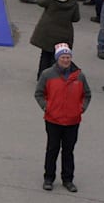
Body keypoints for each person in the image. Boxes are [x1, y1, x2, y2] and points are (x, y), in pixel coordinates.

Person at [35, 43, 90, 191]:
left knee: (68, 150)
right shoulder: (47, 74)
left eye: (68, 57)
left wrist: (81, 108)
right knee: (52, 149)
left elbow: (87, 95)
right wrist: (46, 107)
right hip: (53, 119)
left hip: (73, 121)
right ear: (57, 59)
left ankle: (68, 180)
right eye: (63, 57)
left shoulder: (80, 76)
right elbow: (39, 93)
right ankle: (48, 178)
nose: (66, 60)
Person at [30, 0, 80, 76]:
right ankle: (54, 78)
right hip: (64, 34)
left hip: (47, 32)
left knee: (45, 54)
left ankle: (41, 76)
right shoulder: (73, 1)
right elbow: (76, 18)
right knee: (56, 57)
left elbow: (39, 1)